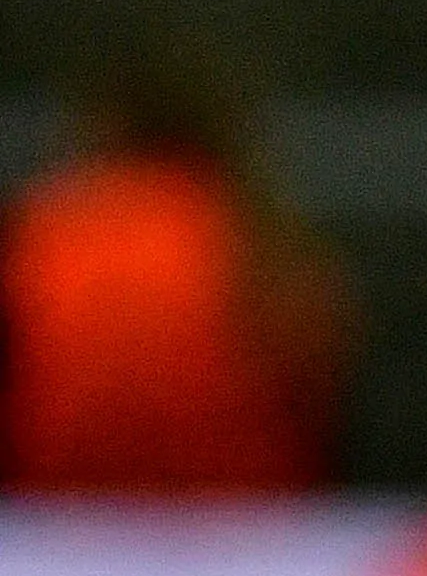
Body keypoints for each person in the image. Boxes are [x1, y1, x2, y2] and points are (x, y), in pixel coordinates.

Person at [0, 53, 351, 495]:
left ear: (104, 130)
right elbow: (316, 391)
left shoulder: (43, 229)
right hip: (241, 514)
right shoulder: (258, 235)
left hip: (55, 512)